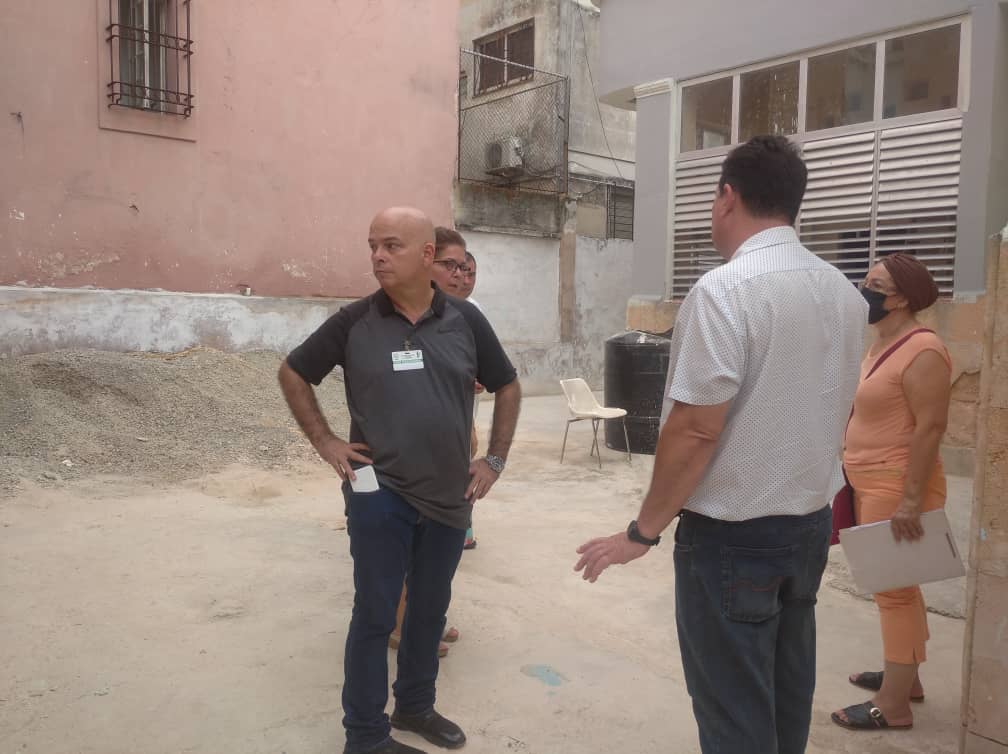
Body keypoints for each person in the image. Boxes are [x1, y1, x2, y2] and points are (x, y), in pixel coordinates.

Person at [574, 136, 867, 754]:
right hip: (809, 527)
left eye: (713, 198)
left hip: (735, 540)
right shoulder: (844, 293)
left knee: (735, 713)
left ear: (727, 198)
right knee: (786, 693)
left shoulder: (725, 291)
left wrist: (642, 532)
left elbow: (695, 429)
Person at [278, 207, 521, 754]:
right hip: (377, 491)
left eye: (391, 245)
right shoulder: (354, 322)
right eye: (372, 245)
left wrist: (495, 460)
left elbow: (507, 384)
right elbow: (293, 371)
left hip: (449, 494)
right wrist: (325, 441)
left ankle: (414, 706)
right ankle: (365, 735)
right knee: (375, 612)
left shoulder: (465, 320)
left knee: (429, 610)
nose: (377, 256)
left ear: (427, 254)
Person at [831, 253, 951, 732]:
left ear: (901, 298)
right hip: (868, 480)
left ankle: (893, 705)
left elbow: (930, 428)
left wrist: (911, 502)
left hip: (896, 485)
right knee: (901, 586)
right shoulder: (883, 344)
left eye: (875, 285)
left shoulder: (924, 350)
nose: (864, 291)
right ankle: (907, 678)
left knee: (893, 592)